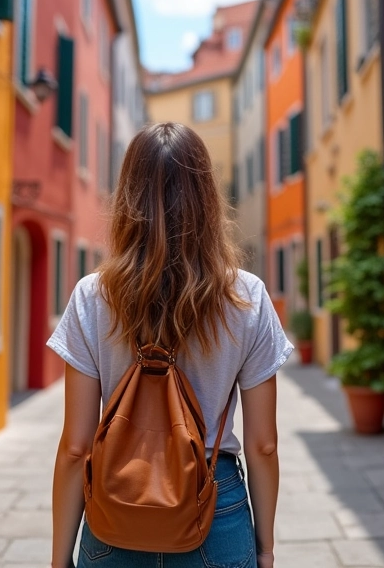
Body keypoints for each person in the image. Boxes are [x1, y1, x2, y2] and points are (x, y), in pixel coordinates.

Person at [47, 122, 293, 568]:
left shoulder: (92, 296)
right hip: (214, 507)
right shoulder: (247, 296)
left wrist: (59, 559)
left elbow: (76, 448)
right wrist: (267, 548)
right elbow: (264, 446)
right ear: (207, 198)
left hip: (114, 510)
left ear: (127, 198)